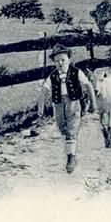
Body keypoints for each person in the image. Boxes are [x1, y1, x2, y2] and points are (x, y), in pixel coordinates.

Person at [38, 44, 96, 173]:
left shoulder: (76, 72)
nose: (60, 63)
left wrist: (93, 103)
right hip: (58, 104)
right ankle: (70, 150)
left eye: (63, 60)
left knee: (72, 129)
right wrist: (40, 107)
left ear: (69, 59)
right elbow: (44, 90)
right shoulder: (53, 76)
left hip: (73, 103)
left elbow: (88, 85)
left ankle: (71, 158)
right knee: (62, 128)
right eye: (57, 61)